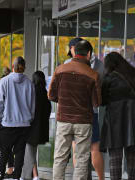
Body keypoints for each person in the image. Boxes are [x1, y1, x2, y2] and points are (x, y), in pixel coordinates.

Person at [48, 40, 101, 180]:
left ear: (74, 52)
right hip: (83, 121)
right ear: (88, 54)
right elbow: (97, 103)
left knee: (60, 158)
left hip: (63, 120)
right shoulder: (93, 74)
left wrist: (65, 100)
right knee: (82, 159)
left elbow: (51, 95)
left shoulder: (59, 70)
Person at [65, 37, 105, 180]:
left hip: (72, 114)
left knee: (77, 149)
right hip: (91, 113)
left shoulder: (67, 64)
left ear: (74, 49)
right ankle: (101, 178)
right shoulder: (100, 65)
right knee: (94, 148)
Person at [0, 56, 35, 180]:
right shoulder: (29, 83)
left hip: (7, 123)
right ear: (24, 68)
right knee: (20, 152)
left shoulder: (4, 81)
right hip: (24, 125)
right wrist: (29, 119)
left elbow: (0, 103)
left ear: (13, 67)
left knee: (0, 152)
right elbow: (32, 105)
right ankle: (16, 177)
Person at [100, 52, 135, 180]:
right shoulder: (132, 74)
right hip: (133, 122)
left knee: (115, 160)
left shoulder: (108, 78)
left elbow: (102, 101)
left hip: (114, 121)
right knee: (132, 161)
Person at [21, 71, 51, 180]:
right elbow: (48, 110)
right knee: (31, 152)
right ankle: (35, 175)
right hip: (41, 129)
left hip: (31, 128)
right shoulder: (45, 93)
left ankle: (26, 176)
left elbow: (27, 110)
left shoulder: (32, 92)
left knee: (29, 152)